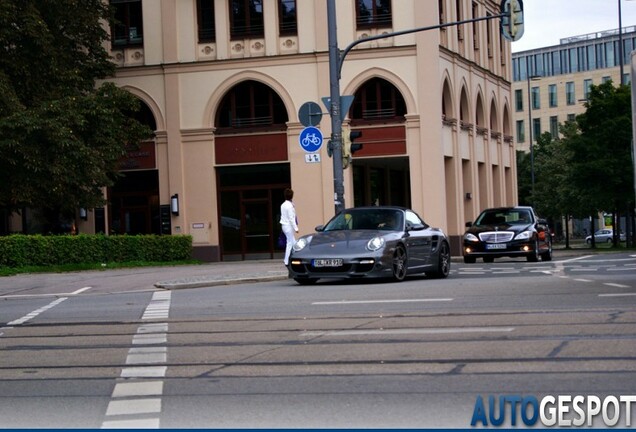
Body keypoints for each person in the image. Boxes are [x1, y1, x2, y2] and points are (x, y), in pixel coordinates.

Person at [280, 188, 299, 266]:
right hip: (289, 226)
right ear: (292, 196)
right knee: (290, 243)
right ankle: (286, 260)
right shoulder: (290, 206)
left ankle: (296, 257)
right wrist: (296, 228)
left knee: (294, 243)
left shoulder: (283, 205)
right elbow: (291, 218)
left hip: (284, 225)